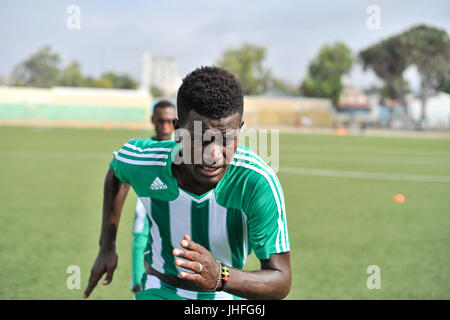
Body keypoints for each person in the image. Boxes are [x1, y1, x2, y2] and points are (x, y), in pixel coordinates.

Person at [84, 66, 291, 300]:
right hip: (160, 288)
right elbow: (117, 171)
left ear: (239, 129)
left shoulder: (256, 182)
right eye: (202, 139)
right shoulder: (146, 161)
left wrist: (220, 276)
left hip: (227, 296)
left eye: (226, 139)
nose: (213, 154)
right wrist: (107, 245)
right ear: (178, 131)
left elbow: (281, 278)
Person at [131, 100, 176, 294]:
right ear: (153, 121)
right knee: (141, 233)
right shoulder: (144, 150)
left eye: (170, 121)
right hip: (148, 200)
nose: (165, 126)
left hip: (175, 203)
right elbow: (121, 179)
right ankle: (138, 281)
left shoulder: (182, 149)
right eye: (161, 121)